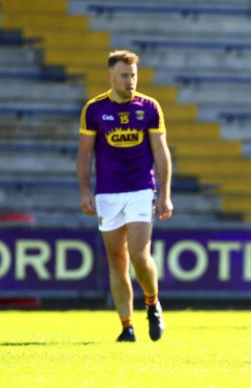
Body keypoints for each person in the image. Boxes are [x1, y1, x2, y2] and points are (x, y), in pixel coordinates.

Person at [76, 50, 173, 343]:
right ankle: (126, 327)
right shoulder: (94, 109)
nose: (130, 81)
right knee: (116, 260)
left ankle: (152, 302)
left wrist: (165, 194)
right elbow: (85, 153)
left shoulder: (149, 107)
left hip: (142, 189)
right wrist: (85, 191)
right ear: (110, 78)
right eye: (124, 76)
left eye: (133, 75)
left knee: (139, 255)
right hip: (108, 193)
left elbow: (160, 151)